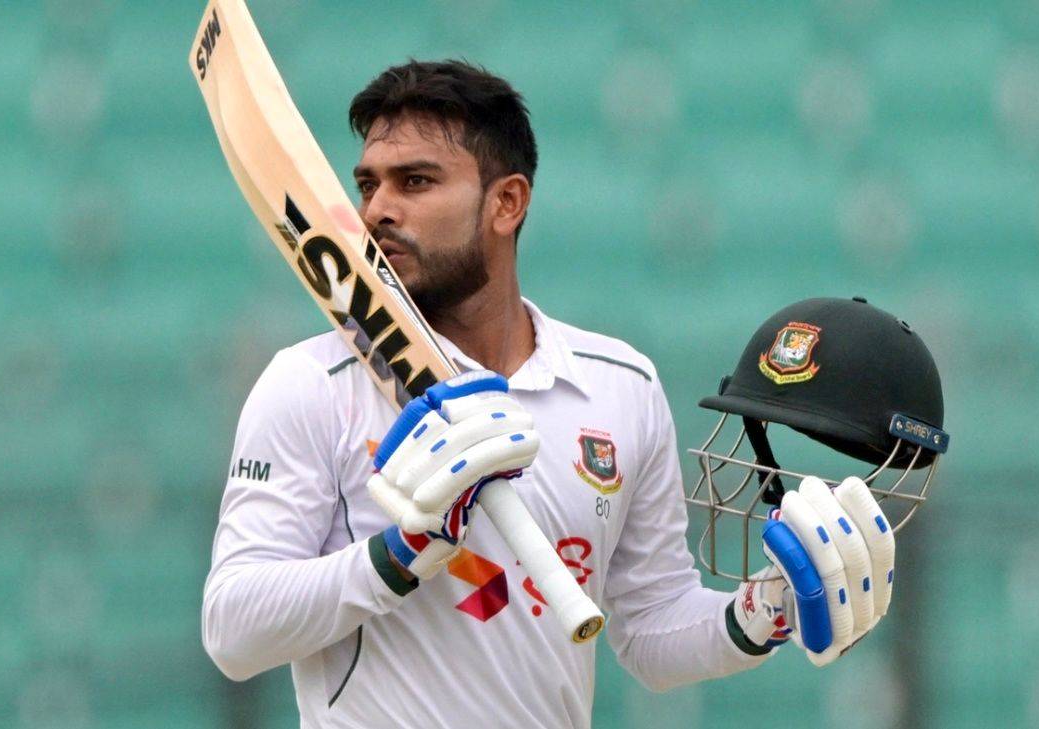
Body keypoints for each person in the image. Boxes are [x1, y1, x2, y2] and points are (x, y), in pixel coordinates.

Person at [201, 60, 945, 728]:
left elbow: (651, 630)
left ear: (507, 203)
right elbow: (232, 630)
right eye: (368, 184)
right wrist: (401, 552)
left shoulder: (618, 385)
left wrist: (761, 611)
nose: (375, 212)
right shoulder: (312, 384)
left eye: (415, 182)